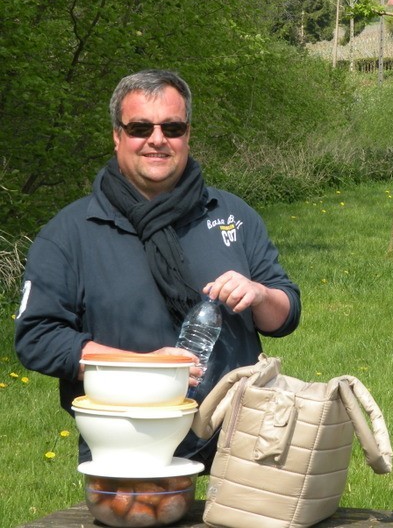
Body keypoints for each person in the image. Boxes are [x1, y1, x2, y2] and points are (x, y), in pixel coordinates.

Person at [14, 69, 301, 467]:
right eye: (139, 127)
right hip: (128, 443)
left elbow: (285, 316)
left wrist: (262, 294)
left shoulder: (233, 215)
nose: (157, 139)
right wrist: (145, 369)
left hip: (243, 442)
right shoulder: (70, 232)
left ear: (188, 134)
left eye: (172, 126)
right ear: (117, 135)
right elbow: (38, 339)